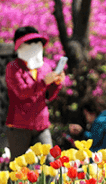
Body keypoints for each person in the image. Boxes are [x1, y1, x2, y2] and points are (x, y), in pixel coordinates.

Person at [5, 26, 65, 160]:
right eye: (29, 43)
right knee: (17, 166)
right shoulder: (13, 68)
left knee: (50, 161)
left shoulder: (45, 67)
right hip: (19, 125)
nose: (35, 47)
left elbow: (49, 96)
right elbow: (22, 92)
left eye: (37, 43)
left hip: (41, 124)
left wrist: (56, 83)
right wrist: (44, 82)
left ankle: (47, 182)